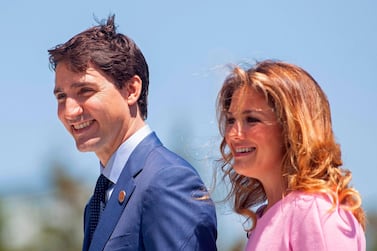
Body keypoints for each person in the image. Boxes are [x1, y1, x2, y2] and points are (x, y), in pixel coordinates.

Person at [48, 15, 217, 251]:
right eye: (61, 96)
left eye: (85, 90)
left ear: (131, 90)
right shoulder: (98, 201)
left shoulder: (167, 181)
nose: (69, 111)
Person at [216, 60, 366, 250]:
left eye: (251, 120)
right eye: (231, 120)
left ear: (292, 129)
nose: (233, 134)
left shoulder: (314, 212)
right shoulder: (270, 216)